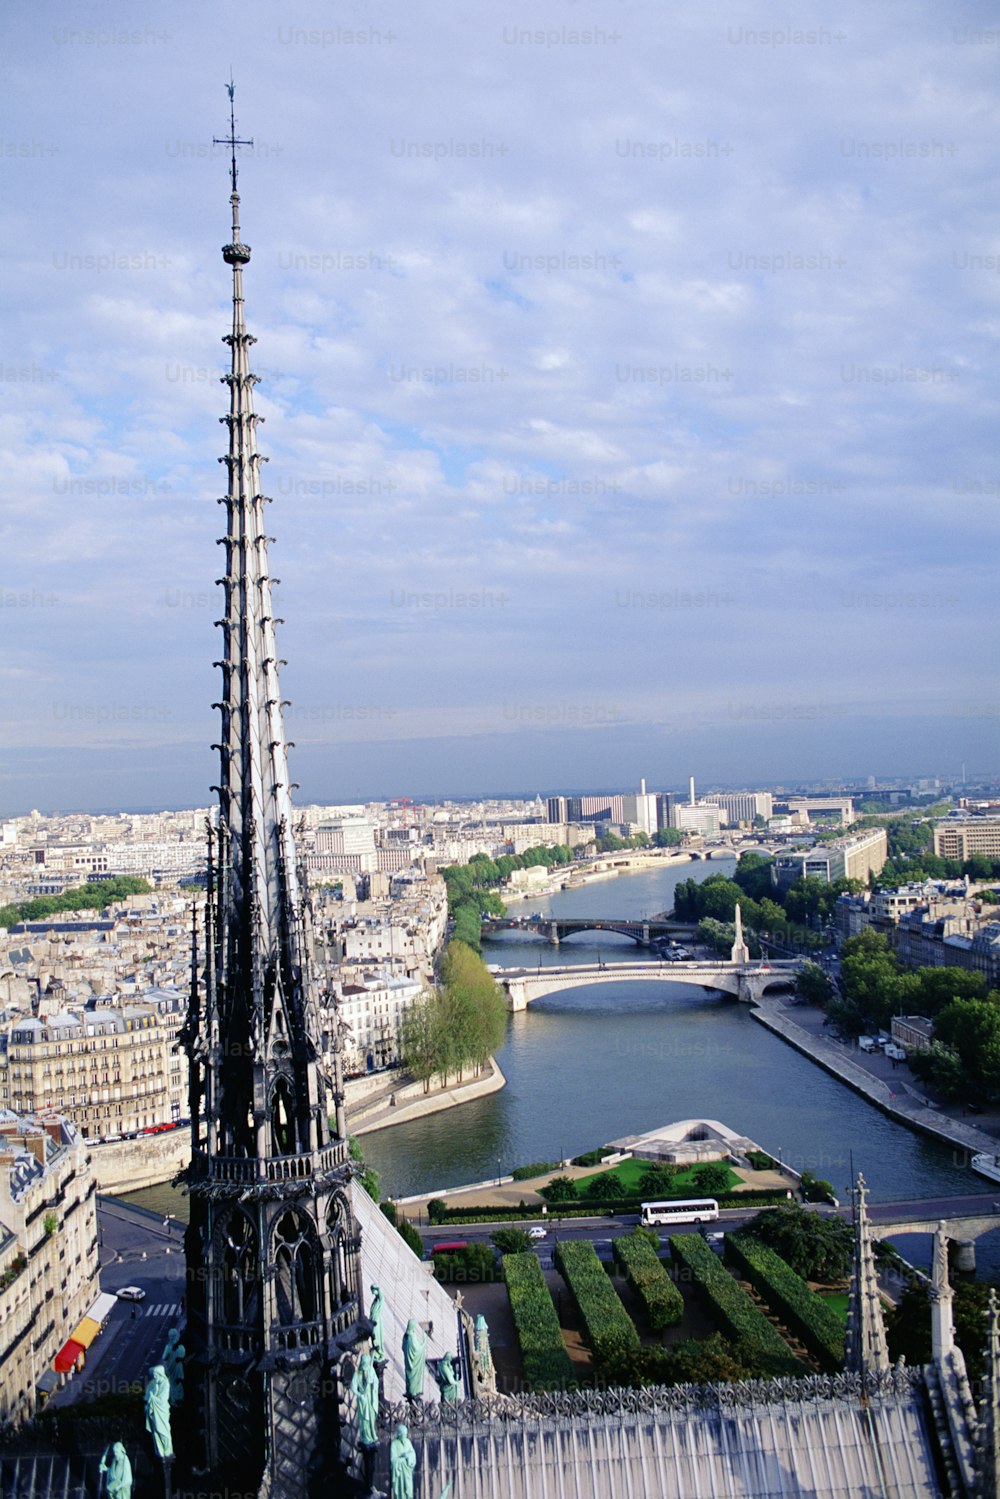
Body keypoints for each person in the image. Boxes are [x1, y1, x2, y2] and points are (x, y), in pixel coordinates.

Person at [350, 1351, 379, 1447]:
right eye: (365, 1364)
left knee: (371, 1417)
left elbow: (376, 1381)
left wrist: (372, 1382)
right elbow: (353, 1386)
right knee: (364, 1420)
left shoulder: (371, 1370)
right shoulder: (357, 1373)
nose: (366, 1366)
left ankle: (372, 1434)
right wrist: (359, 1395)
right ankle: (366, 1436)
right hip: (363, 1400)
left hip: (371, 1397)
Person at [144, 1365, 173, 1459]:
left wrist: (152, 1397)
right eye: (153, 1375)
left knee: (163, 1431)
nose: (154, 1377)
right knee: (155, 1432)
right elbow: (147, 1396)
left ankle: (167, 1451)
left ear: (160, 1374)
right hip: (154, 1413)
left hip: (161, 1412)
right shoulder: (153, 1384)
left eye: (156, 1375)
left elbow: (162, 1400)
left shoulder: (165, 1384)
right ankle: (160, 1451)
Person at [390, 1421, 417, 1499]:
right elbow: (393, 1460)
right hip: (399, 1473)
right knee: (400, 1492)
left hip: (407, 1473)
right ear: (399, 1434)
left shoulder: (408, 1442)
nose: (404, 1436)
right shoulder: (394, 1444)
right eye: (403, 1434)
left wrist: (407, 1456)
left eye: (405, 1434)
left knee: (408, 1490)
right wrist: (403, 1459)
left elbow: (413, 1455)